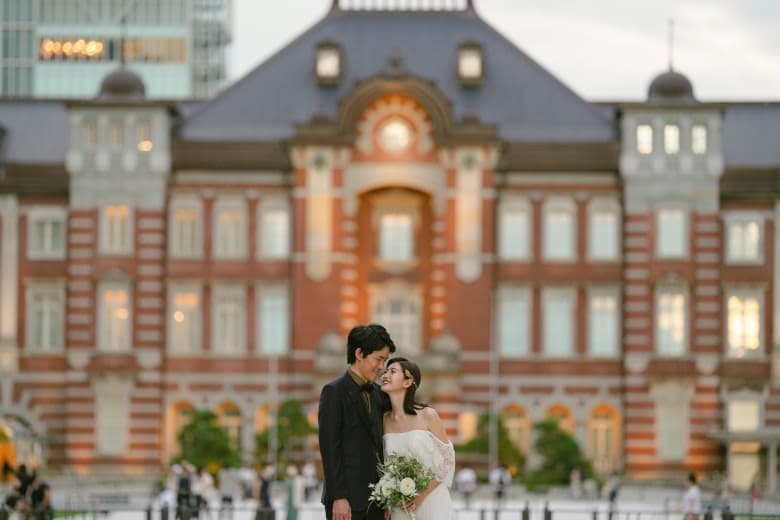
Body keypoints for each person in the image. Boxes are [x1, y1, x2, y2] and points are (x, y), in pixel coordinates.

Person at [318, 323, 396, 520]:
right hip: (346, 503)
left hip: (378, 501)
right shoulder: (333, 392)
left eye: (385, 360)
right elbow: (330, 448)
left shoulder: (380, 394)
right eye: (379, 359)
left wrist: (388, 496)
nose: (381, 367)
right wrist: (339, 497)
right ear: (360, 353)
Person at [381, 357, 455, 519]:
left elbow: (447, 460)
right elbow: (385, 465)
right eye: (385, 371)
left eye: (392, 371)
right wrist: (388, 499)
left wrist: (419, 496)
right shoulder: (384, 420)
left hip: (431, 500)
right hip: (399, 504)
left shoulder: (428, 415)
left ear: (408, 382)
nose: (385, 375)